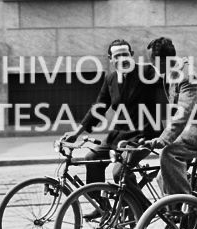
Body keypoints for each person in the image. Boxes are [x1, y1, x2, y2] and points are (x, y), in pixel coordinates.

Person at [61, 38, 166, 187]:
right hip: (118, 135)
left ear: (132, 55)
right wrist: (77, 132)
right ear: (111, 59)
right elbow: (99, 107)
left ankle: (137, 208)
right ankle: (101, 207)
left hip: (144, 135)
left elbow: (169, 84)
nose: (122, 59)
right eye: (117, 56)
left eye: (125, 54)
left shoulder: (147, 72)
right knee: (92, 159)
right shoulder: (111, 79)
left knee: (119, 172)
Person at [140, 37, 197, 199]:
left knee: (168, 154)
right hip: (191, 128)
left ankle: (188, 205)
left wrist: (164, 139)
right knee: (163, 177)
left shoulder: (187, 75)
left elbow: (183, 112)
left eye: (152, 61)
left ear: (162, 60)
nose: (151, 64)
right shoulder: (171, 72)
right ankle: (182, 210)